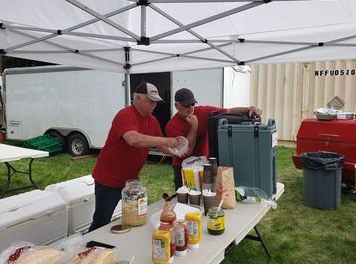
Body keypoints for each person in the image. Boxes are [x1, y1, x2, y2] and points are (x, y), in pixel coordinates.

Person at [89, 82, 179, 232]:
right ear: (137, 98)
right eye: (151, 100)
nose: (154, 104)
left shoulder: (152, 120)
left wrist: (177, 151)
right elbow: (133, 139)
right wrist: (166, 140)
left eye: (156, 101)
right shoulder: (125, 115)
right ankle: (89, 249)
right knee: (101, 221)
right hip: (109, 179)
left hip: (131, 180)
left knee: (138, 215)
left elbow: (161, 146)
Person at [165, 88, 262, 190]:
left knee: (207, 192)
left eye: (192, 104)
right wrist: (194, 127)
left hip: (203, 164)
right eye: (186, 105)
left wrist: (249, 109)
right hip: (183, 168)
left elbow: (228, 111)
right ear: (177, 106)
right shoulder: (172, 126)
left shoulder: (203, 111)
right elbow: (187, 150)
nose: (190, 108)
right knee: (185, 198)